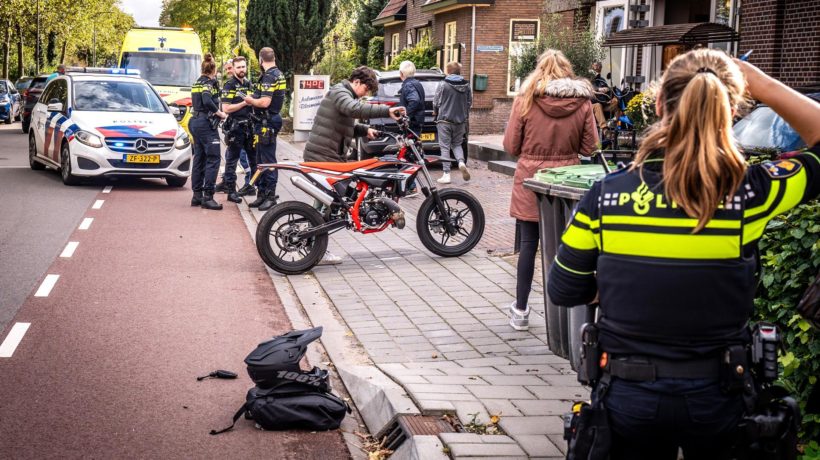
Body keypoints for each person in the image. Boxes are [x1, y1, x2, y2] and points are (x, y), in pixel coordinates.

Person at [547, 48, 820, 458]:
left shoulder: (606, 196)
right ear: (730, 111)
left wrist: (615, 291)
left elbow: (564, 288)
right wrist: (759, 82)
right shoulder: (749, 193)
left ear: (658, 104)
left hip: (628, 396)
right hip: (718, 395)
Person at [502, 49, 598, 331]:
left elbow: (510, 145)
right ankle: (568, 318)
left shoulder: (525, 100)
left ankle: (520, 310)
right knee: (567, 246)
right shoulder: (581, 103)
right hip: (567, 181)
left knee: (529, 246)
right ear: (567, 71)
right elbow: (590, 147)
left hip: (531, 179)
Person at [302, 66, 405, 265]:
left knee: (325, 202)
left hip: (328, 155)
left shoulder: (343, 94)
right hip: (323, 157)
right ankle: (314, 249)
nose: (365, 95)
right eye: (365, 90)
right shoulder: (340, 93)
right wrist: (386, 110)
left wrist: (365, 130)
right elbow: (352, 109)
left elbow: (345, 122)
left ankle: (312, 246)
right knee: (327, 203)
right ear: (356, 82)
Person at [243, 47, 286, 212]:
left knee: (267, 160)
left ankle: (269, 196)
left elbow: (265, 102)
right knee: (260, 159)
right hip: (266, 121)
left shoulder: (269, 76)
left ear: (261, 60)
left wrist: (249, 100)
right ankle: (261, 194)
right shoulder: (278, 74)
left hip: (267, 122)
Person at [189, 53, 228, 210]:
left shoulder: (197, 82)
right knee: (213, 158)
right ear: (214, 69)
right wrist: (220, 113)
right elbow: (206, 99)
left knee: (199, 157)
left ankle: (196, 195)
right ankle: (208, 197)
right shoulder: (209, 83)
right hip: (205, 123)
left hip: (195, 122)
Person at [219, 56, 255, 204]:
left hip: (249, 127)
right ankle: (231, 191)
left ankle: (253, 187)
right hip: (235, 127)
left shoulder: (248, 83)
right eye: (238, 67)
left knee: (254, 160)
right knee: (232, 161)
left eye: (243, 67)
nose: (241, 70)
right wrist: (245, 102)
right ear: (233, 69)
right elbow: (226, 108)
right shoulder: (229, 85)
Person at [433, 61, 472, 184]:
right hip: (460, 121)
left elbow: (436, 102)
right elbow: (469, 103)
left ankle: (446, 174)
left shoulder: (443, 84)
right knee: (457, 144)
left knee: (445, 146)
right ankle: (461, 162)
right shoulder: (467, 85)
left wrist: (435, 111)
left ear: (448, 71)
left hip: (444, 120)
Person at [398, 60, 425, 196]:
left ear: (401, 73)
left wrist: (406, 114)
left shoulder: (408, 85)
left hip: (412, 125)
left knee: (409, 156)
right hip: (417, 123)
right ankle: (410, 185)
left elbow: (414, 100)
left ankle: (411, 187)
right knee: (411, 155)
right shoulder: (418, 84)